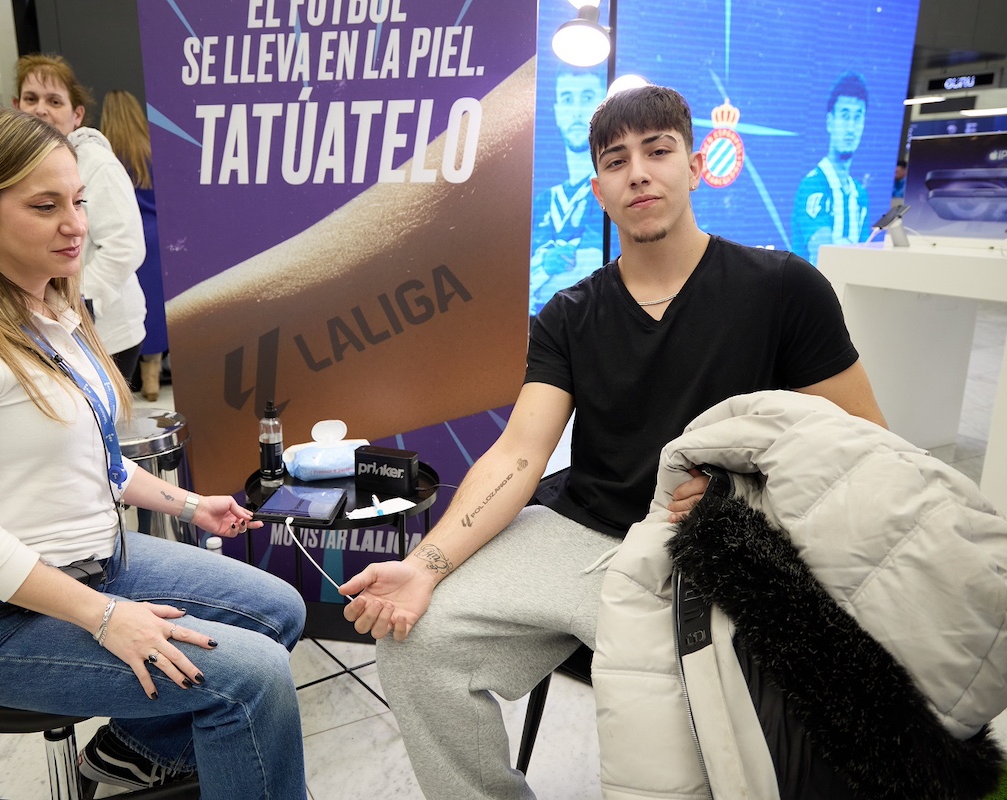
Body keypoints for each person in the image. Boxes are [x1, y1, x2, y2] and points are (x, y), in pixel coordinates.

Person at [338, 84, 886, 800]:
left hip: (711, 548)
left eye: (658, 151)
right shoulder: (569, 314)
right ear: (599, 189)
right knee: (418, 641)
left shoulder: (782, 288)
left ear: (694, 164)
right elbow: (519, 454)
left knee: (699, 708)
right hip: (581, 531)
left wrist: (749, 491)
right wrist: (427, 563)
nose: (639, 172)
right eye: (617, 160)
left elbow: (865, 442)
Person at [0, 106, 307, 798]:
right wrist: (104, 616)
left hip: (97, 562)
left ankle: (129, 754)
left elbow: (97, 462)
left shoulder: (51, 314)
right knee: (247, 679)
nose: (76, 224)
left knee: (281, 608)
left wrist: (192, 506)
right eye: (45, 206)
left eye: (77, 200)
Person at [13, 54, 147, 382]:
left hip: (104, 332)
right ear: (16, 106)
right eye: (31, 99)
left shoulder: (95, 162)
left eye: (54, 100)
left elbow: (125, 246)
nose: (40, 109)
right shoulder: (20, 166)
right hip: (52, 327)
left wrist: (77, 301)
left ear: (77, 115)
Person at [100, 89, 169, 402]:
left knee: (135, 308)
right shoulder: (153, 148)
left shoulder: (105, 155)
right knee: (157, 308)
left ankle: (139, 382)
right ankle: (154, 379)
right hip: (158, 239)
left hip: (123, 237)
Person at [529, 65, 606, 316]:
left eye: (586, 98)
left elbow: (590, 267)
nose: (575, 111)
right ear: (556, 112)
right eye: (567, 99)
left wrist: (539, 267)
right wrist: (545, 265)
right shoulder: (543, 201)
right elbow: (518, 282)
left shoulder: (612, 192)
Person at [791, 71, 871, 264]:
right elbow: (822, 254)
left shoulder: (859, 194)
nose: (851, 127)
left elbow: (868, 256)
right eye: (844, 116)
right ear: (830, 121)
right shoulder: (813, 185)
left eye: (857, 117)